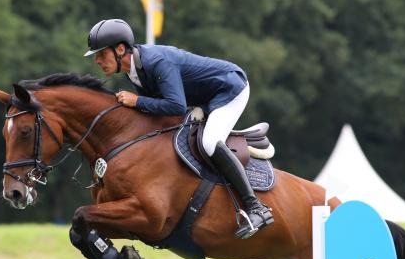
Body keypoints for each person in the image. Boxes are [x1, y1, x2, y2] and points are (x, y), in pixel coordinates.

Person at [84, 19, 273, 239]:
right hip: (204, 99)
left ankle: (256, 208)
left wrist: (137, 101)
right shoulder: (132, 70)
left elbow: (175, 107)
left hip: (230, 89)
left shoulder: (156, 61)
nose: (97, 60)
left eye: (101, 54)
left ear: (120, 49)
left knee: (209, 142)